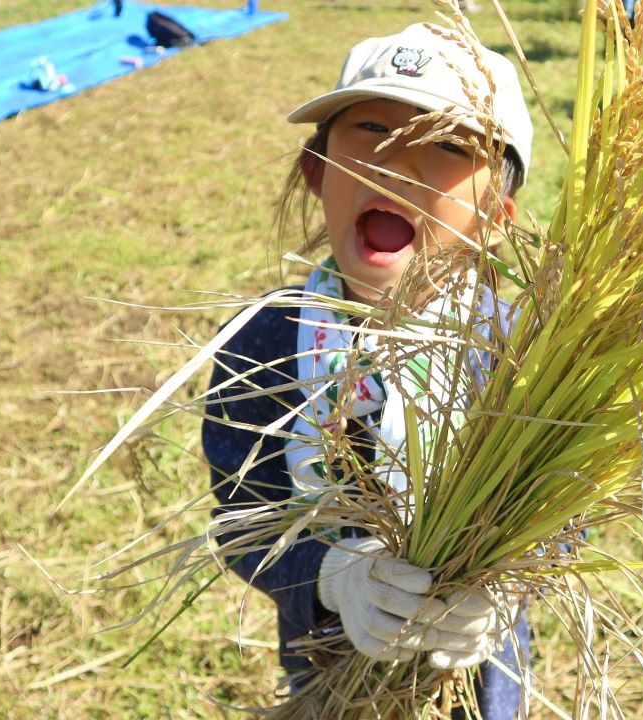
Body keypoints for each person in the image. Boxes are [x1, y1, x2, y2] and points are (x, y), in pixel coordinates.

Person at [201, 22, 534, 719]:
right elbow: (241, 519)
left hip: (476, 678)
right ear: (315, 173)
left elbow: (563, 509)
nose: (395, 163)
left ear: (495, 218)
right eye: (372, 128)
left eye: (447, 145)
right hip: (327, 674)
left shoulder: (516, 354)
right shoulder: (265, 343)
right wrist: (330, 575)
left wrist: (501, 590)